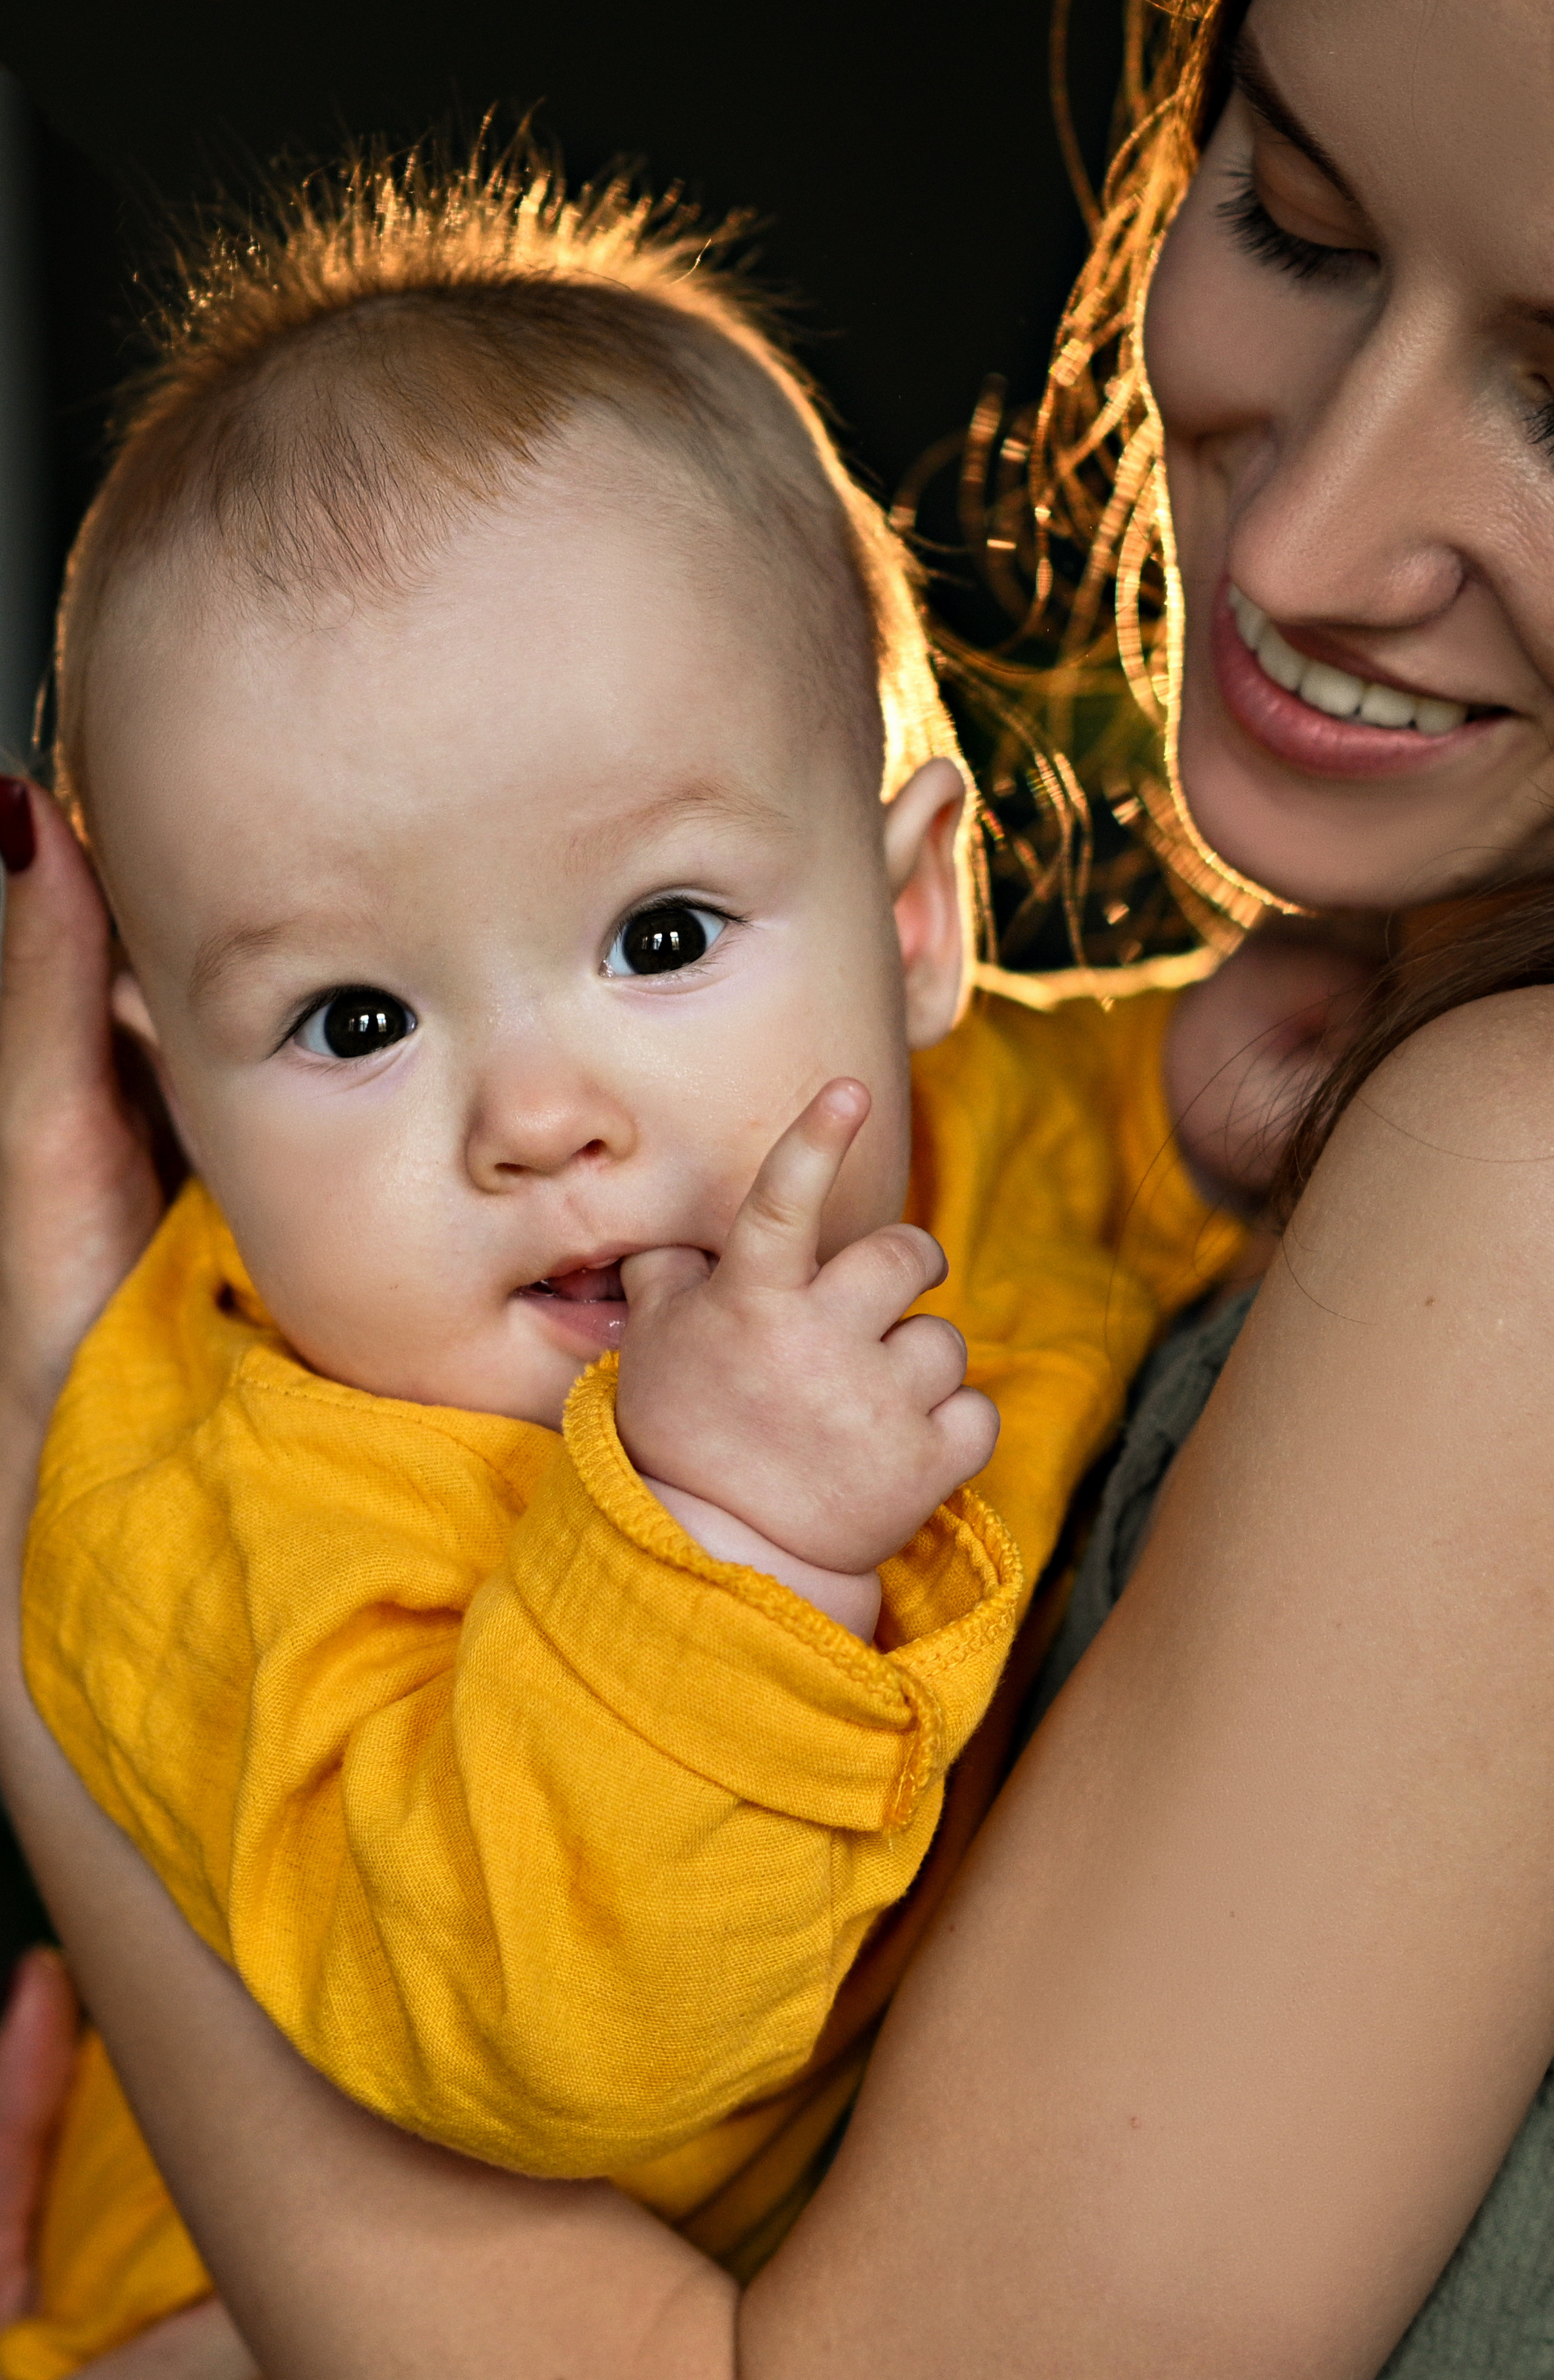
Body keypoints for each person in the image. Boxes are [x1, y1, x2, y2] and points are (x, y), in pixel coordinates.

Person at [9, 0, 1554, 2368]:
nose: (538, 1119)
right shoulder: (272, 1492)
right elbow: (548, 2039)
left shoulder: (954, 1148)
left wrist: (1162, 1103)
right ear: (163, 1086)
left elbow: (1050, 1153)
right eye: (350, 1023)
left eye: (655, 941)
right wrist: (715, 1566)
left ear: (923, 912)